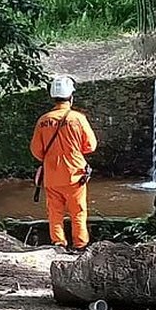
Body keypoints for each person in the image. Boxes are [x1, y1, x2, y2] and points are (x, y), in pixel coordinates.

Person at [30, 75, 97, 252]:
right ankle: (80, 246)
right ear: (71, 97)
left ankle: (58, 244)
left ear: (53, 97)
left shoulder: (43, 121)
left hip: (51, 176)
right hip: (75, 175)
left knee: (55, 213)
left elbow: (37, 151)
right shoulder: (78, 119)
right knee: (78, 213)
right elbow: (91, 146)